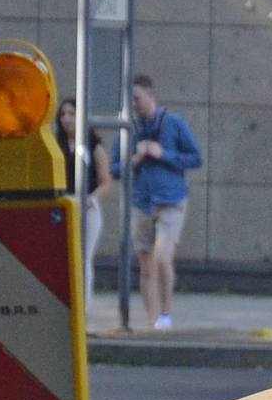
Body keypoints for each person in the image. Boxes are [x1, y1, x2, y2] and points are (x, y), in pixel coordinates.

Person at [125, 75, 201, 329]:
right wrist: (134, 159)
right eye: (131, 100)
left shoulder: (174, 123)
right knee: (146, 265)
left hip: (171, 199)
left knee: (162, 258)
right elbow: (115, 166)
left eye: (137, 98)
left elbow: (195, 158)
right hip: (142, 201)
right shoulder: (131, 128)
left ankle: (166, 313)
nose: (134, 104)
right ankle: (151, 320)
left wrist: (163, 154)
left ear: (151, 96)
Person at [56, 96, 116, 297]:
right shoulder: (57, 145)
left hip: (86, 207)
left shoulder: (95, 147)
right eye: (63, 114)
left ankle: (84, 307)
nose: (67, 119)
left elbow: (106, 182)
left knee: (83, 258)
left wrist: (91, 199)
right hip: (63, 205)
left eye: (72, 114)